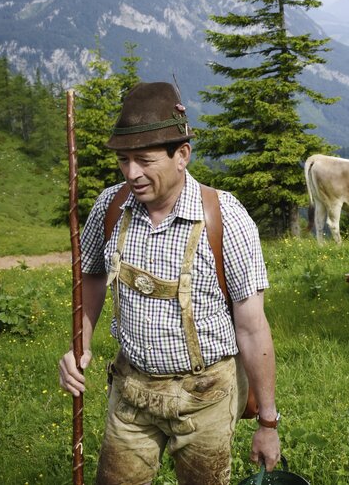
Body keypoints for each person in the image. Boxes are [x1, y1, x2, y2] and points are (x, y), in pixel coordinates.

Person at [58, 81, 281, 484]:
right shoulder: (110, 208)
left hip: (206, 397)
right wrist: (80, 346)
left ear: (182, 155)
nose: (132, 174)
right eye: (124, 161)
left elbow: (252, 328)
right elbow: (90, 276)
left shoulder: (224, 218)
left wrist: (267, 423)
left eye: (144, 160)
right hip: (130, 393)